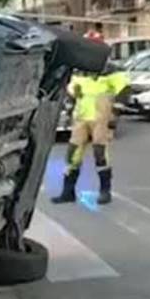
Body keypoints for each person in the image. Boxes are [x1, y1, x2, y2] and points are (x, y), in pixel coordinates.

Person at [52, 66, 116, 206]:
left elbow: (122, 93)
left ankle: (105, 191)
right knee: (73, 154)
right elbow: (70, 94)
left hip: (100, 120)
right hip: (81, 120)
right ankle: (68, 192)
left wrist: (112, 119)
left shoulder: (109, 77)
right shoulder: (78, 77)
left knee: (100, 154)